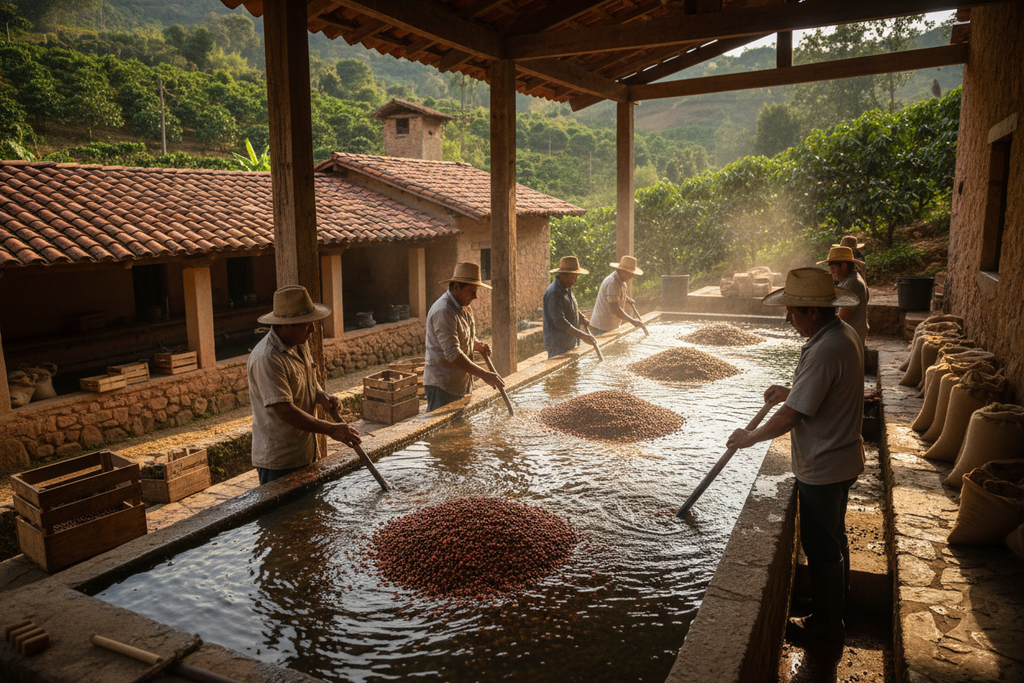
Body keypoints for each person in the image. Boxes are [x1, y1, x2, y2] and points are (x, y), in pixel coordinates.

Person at [726, 267, 864, 641]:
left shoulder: (824, 349)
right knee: (834, 540)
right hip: (843, 455)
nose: (788, 319)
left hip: (824, 464)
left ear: (813, 312)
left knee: (820, 546)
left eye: (792, 312)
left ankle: (825, 624)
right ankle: (838, 606)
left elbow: (791, 417)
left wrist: (750, 436)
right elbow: (821, 393)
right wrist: (792, 389)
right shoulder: (842, 334)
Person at [247, 285, 362, 486]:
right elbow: (285, 411)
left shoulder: (300, 341)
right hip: (280, 460)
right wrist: (332, 429)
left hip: (305, 451)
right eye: (306, 324)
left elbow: (307, 379)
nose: (312, 329)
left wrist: (321, 395)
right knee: (284, 516)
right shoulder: (267, 358)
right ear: (285, 325)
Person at [423, 262, 505, 412]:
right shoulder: (444, 311)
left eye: (476, 291)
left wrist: (478, 345)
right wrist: (484, 375)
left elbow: (465, 338)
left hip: (459, 383)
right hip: (443, 385)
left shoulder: (464, 306)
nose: (475, 296)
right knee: (442, 433)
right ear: (456, 287)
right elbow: (453, 354)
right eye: (471, 291)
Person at [543, 256, 597, 358]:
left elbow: (571, 306)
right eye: (572, 277)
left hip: (570, 342)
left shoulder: (567, 287)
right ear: (563, 275)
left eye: (576, 277)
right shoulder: (554, 293)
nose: (575, 280)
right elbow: (561, 322)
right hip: (558, 346)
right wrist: (583, 336)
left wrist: (581, 317)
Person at [818, 245, 869, 346]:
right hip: (849, 337)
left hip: (850, 340)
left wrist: (821, 325)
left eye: (833, 269)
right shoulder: (848, 280)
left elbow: (844, 315)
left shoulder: (852, 283)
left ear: (844, 266)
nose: (831, 272)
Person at [588, 255, 646, 335]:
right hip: (601, 327)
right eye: (630, 273)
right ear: (623, 271)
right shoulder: (613, 283)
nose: (632, 276)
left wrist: (626, 299)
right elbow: (614, 308)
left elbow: (616, 295)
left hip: (610, 325)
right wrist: (632, 321)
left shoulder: (622, 282)